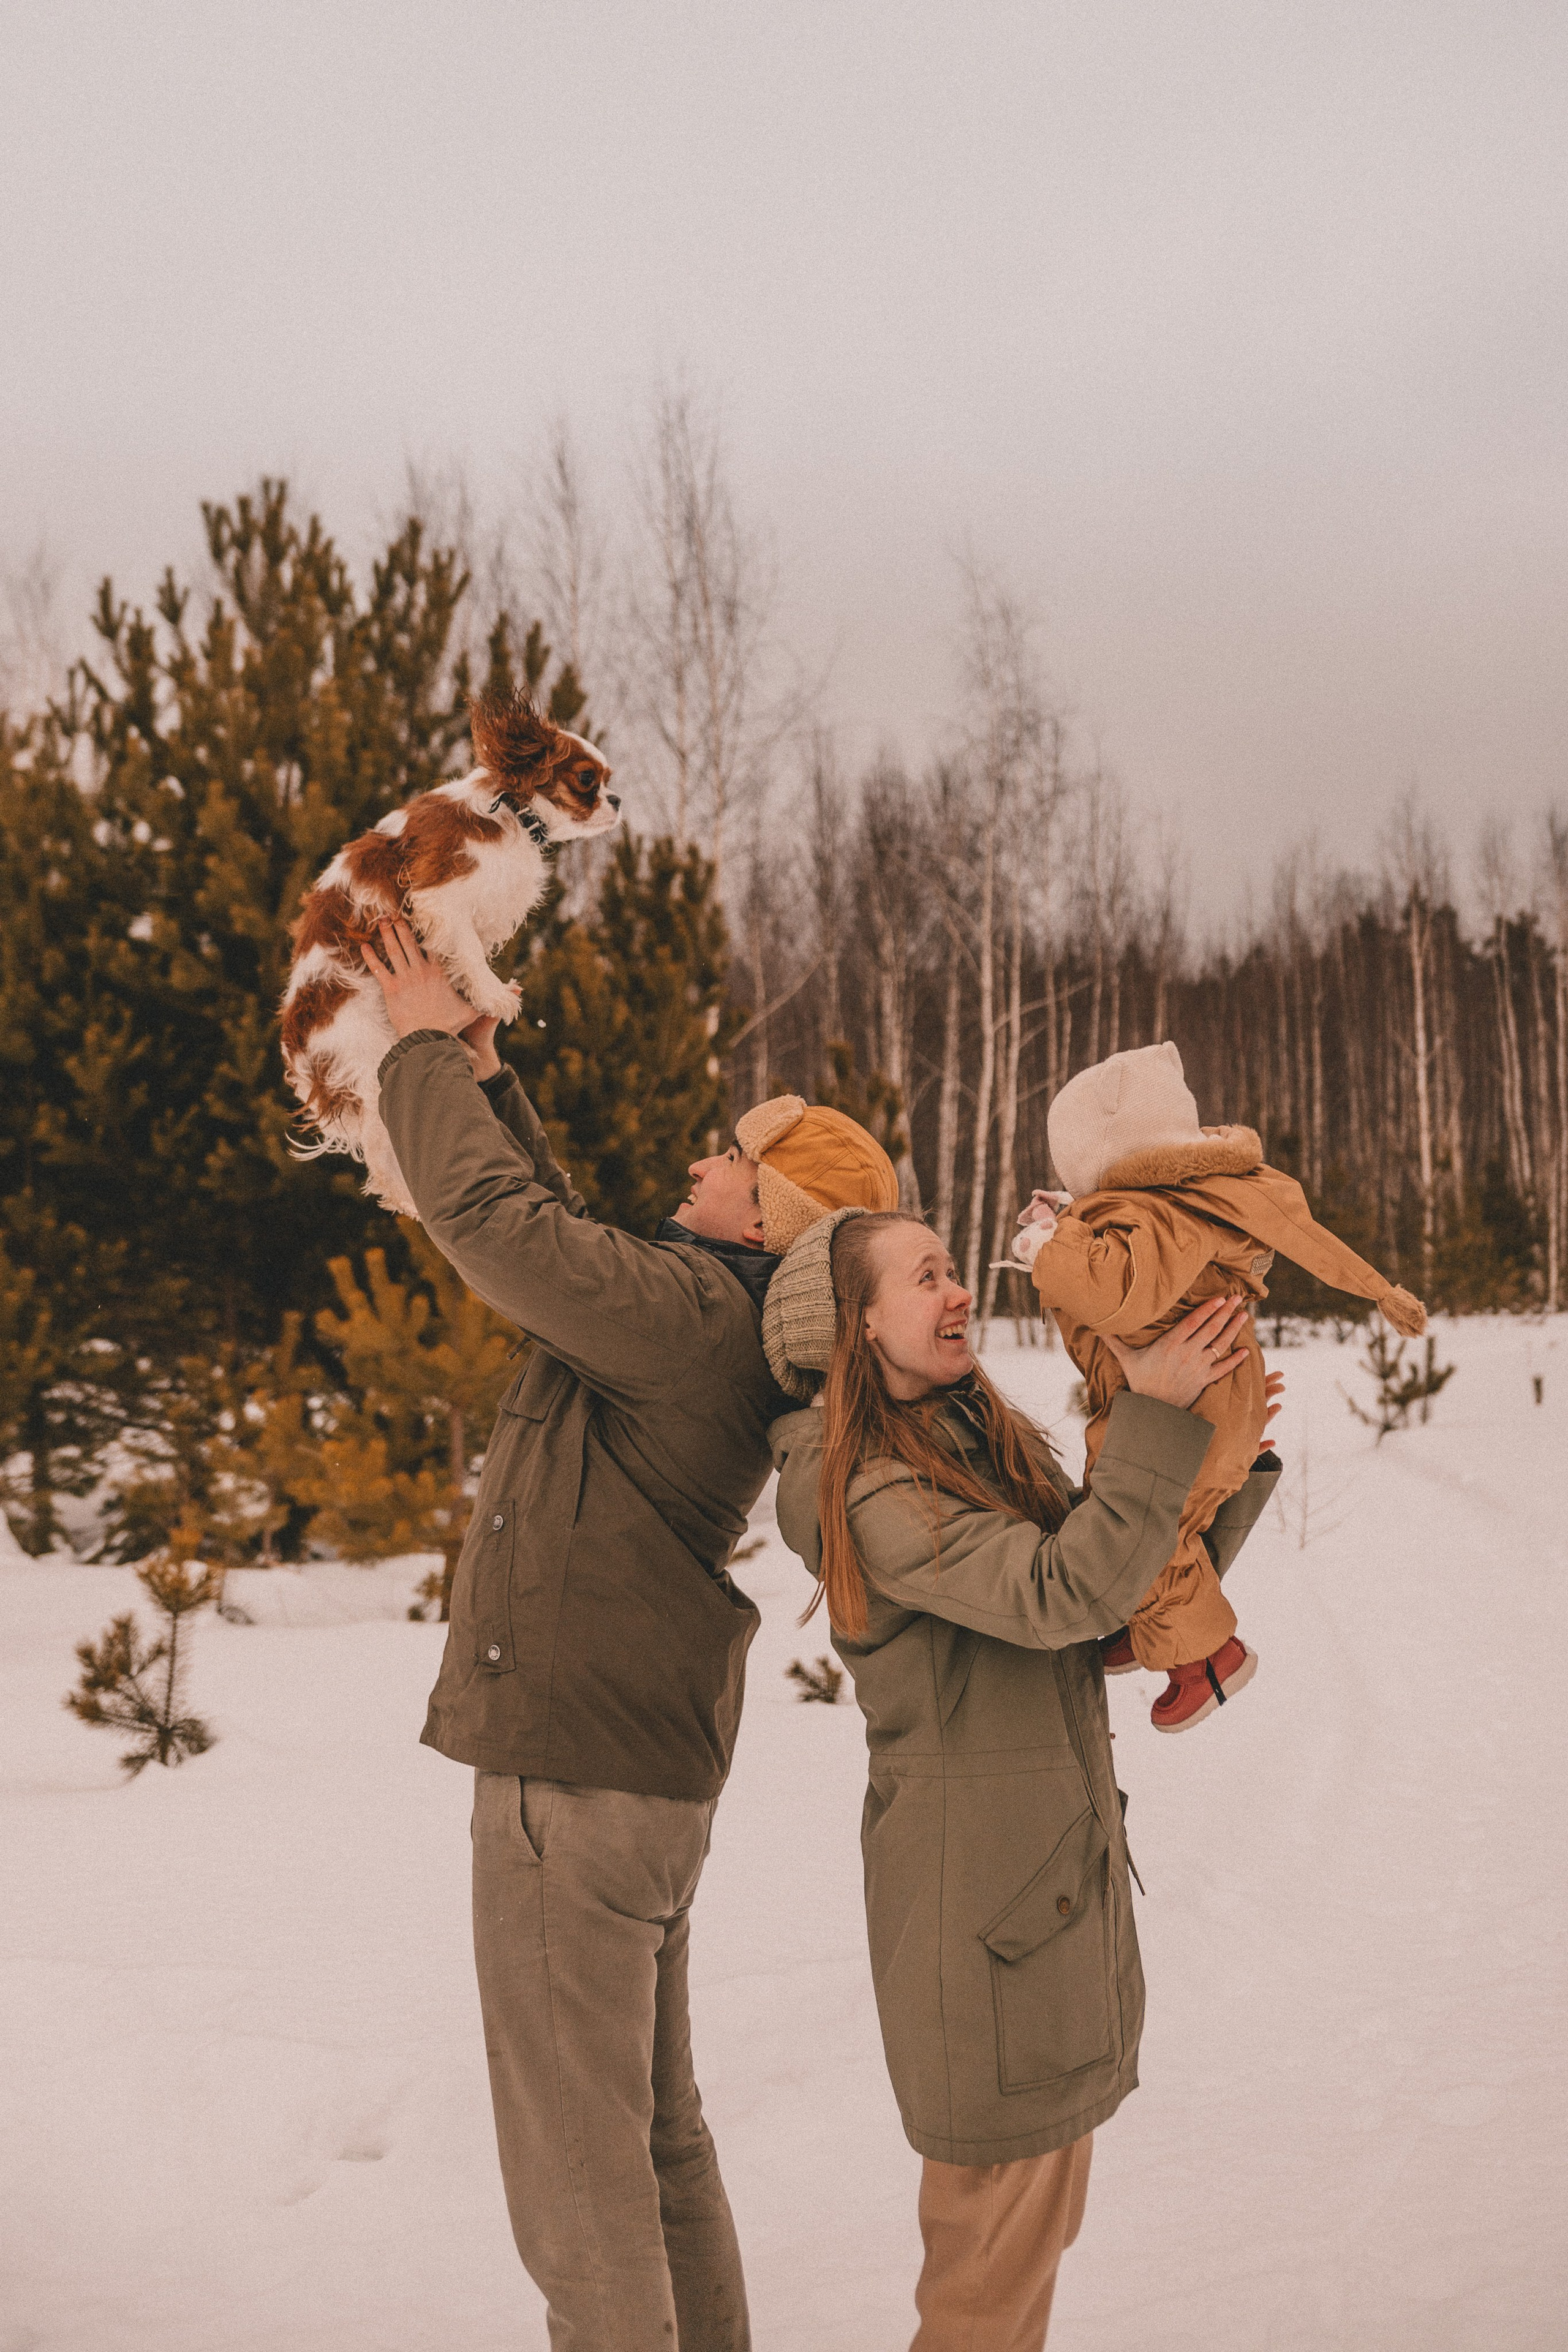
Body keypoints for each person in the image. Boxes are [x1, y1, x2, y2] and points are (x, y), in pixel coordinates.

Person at [366, 916, 898, 2352]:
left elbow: (500, 1232)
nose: (699, 1158)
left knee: (577, 2181)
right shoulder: (707, 1308)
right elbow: (552, 1228)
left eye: (729, 1151)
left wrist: (415, 1041)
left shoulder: (684, 1313)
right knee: (649, 2141)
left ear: (769, 1208)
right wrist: (481, 1079)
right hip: (636, 1776)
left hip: (573, 1786)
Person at [764, 1204, 1281, 2350]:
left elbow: (1096, 1620)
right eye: (928, 1277)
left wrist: (1220, 1468)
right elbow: (1064, 1593)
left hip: (1032, 1902)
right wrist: (1151, 1414)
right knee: (985, 2290)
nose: (959, 1294)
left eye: (956, 1270)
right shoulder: (868, 1493)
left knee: (1020, 2261)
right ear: (856, 1327)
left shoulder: (960, 1444)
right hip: (984, 1920)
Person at [1012, 1040, 1423, 1730]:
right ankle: (1149, 1619)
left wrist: (1047, 1246)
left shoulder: (1158, 1215)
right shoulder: (1185, 1207)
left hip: (1184, 1406)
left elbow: (1116, 1290)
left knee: (1142, 1522)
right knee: (1166, 1518)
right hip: (1215, 1397)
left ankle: (1205, 1657)